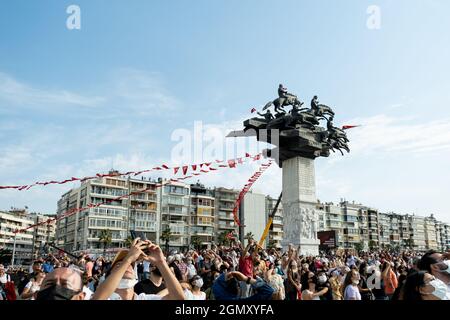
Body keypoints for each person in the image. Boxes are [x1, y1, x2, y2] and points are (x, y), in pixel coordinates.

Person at [92, 238, 185, 300]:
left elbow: (179, 299)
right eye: (119, 265)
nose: (128, 265)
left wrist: (161, 263)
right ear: (109, 276)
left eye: (131, 265)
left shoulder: (143, 298)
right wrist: (128, 259)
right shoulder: (106, 297)